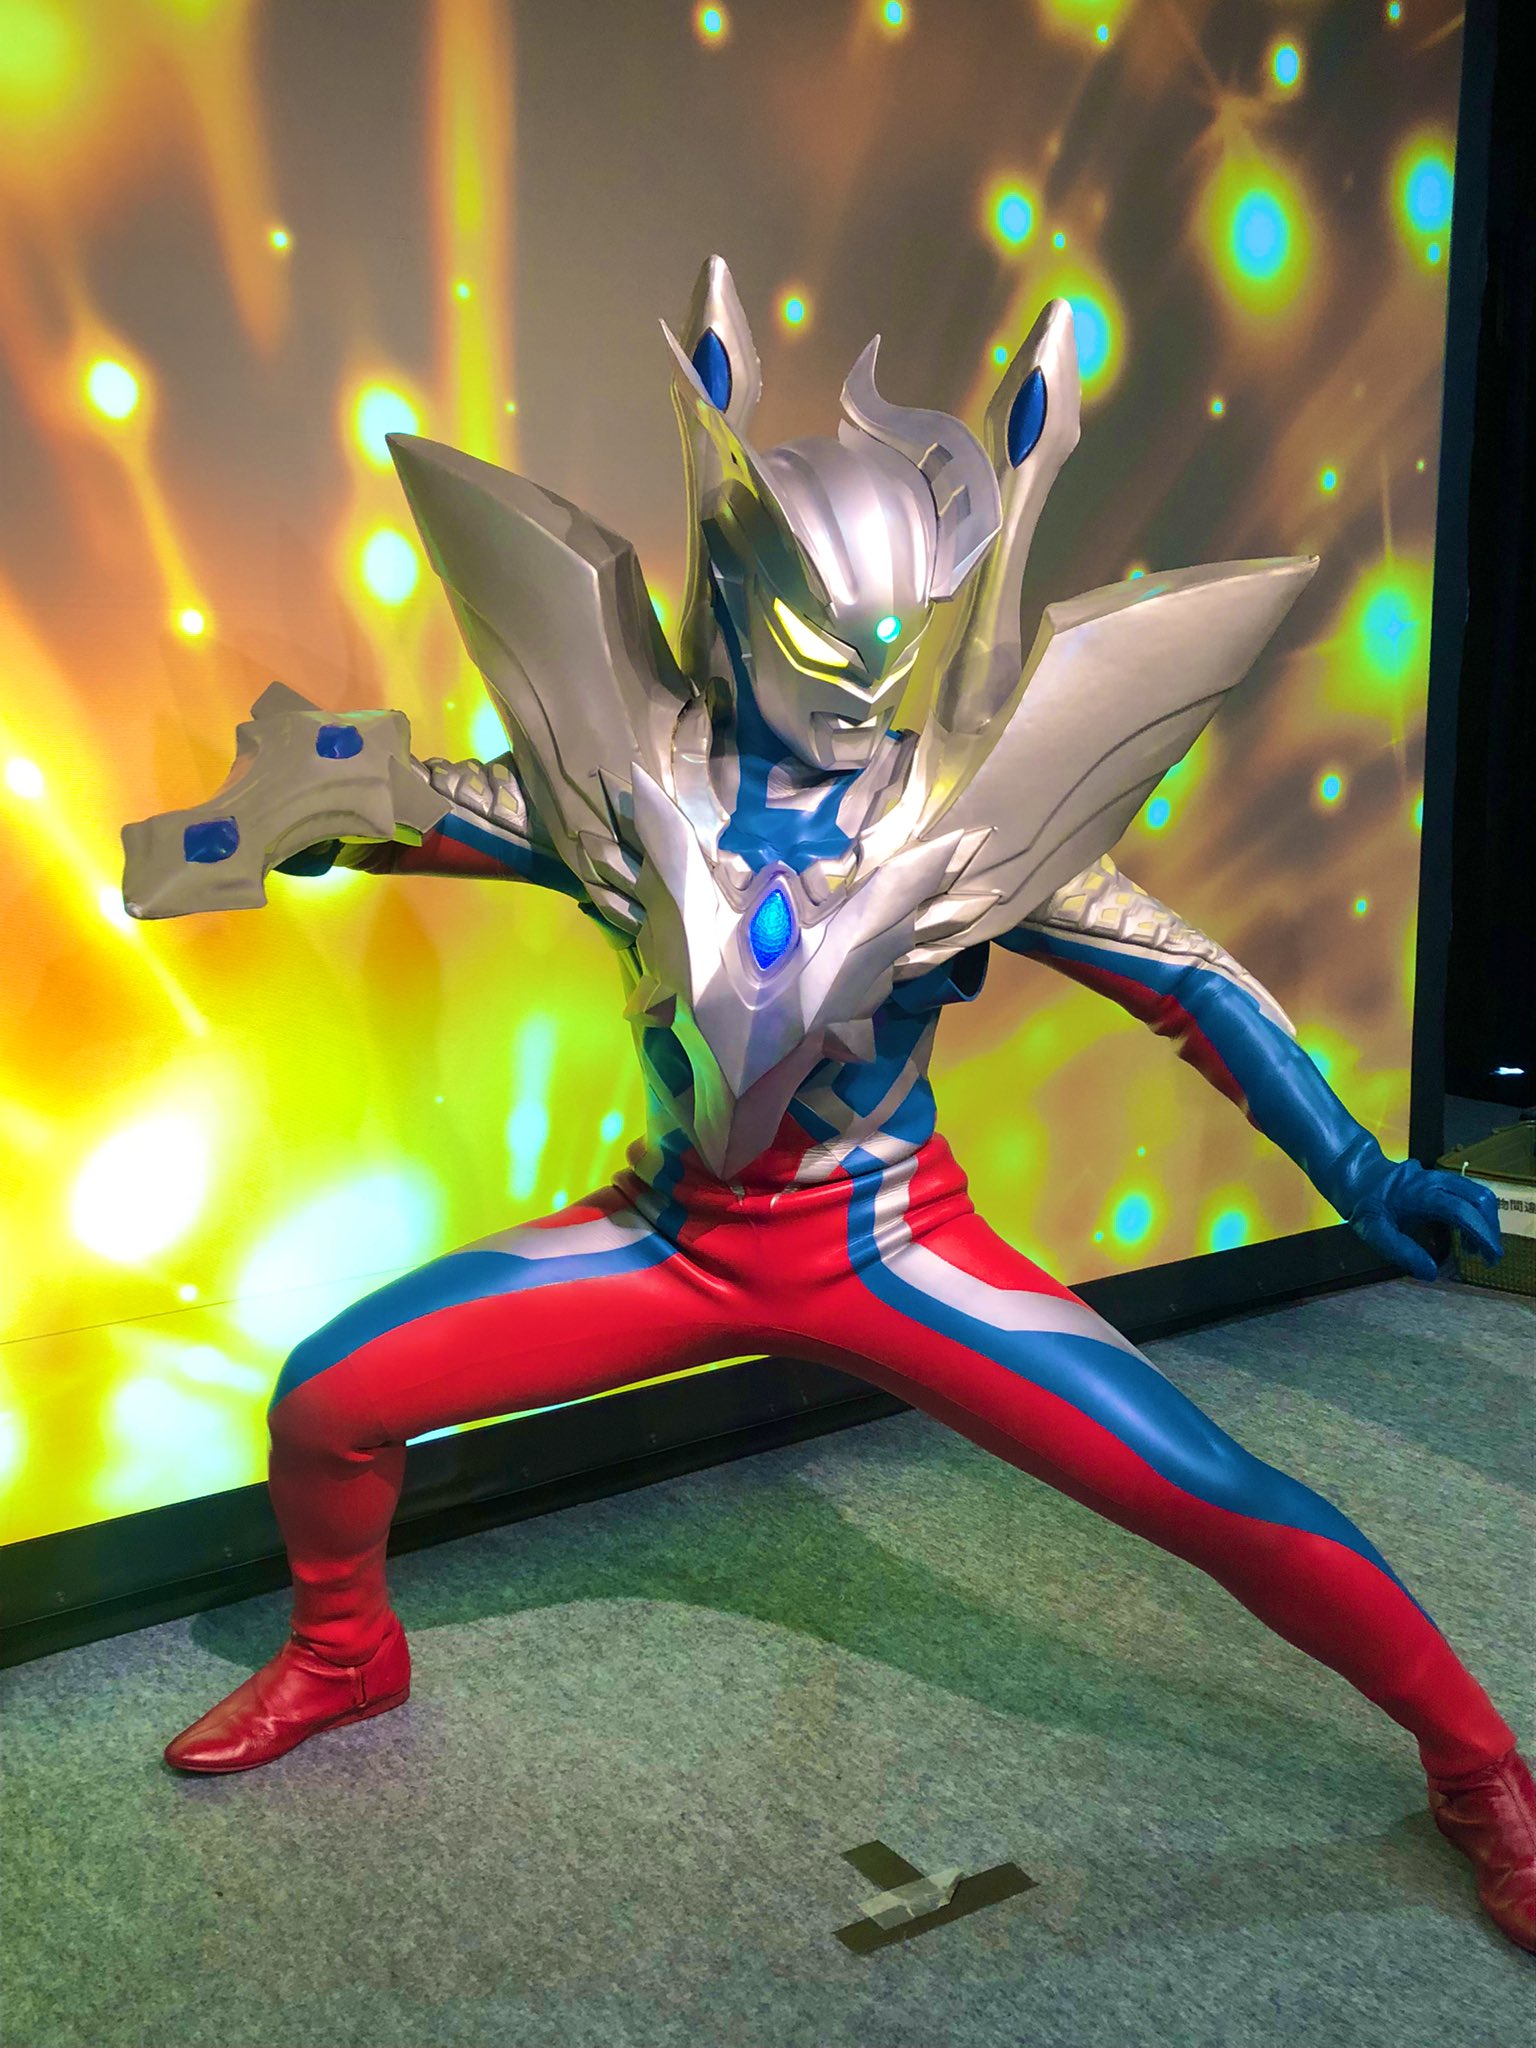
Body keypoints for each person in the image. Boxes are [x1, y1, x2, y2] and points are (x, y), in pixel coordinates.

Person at [126, 260, 1532, 1953]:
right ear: (734, 599)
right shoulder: (625, 784)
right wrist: (306, 813)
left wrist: (1363, 1170)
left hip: (894, 1251)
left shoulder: (969, 817)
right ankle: (348, 1655)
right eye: (822, 642)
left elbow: (1192, 983)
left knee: (1214, 1492)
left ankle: (1482, 1770)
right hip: (673, 1240)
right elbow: (421, 806)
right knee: (332, 1396)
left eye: (893, 643)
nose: (864, 683)